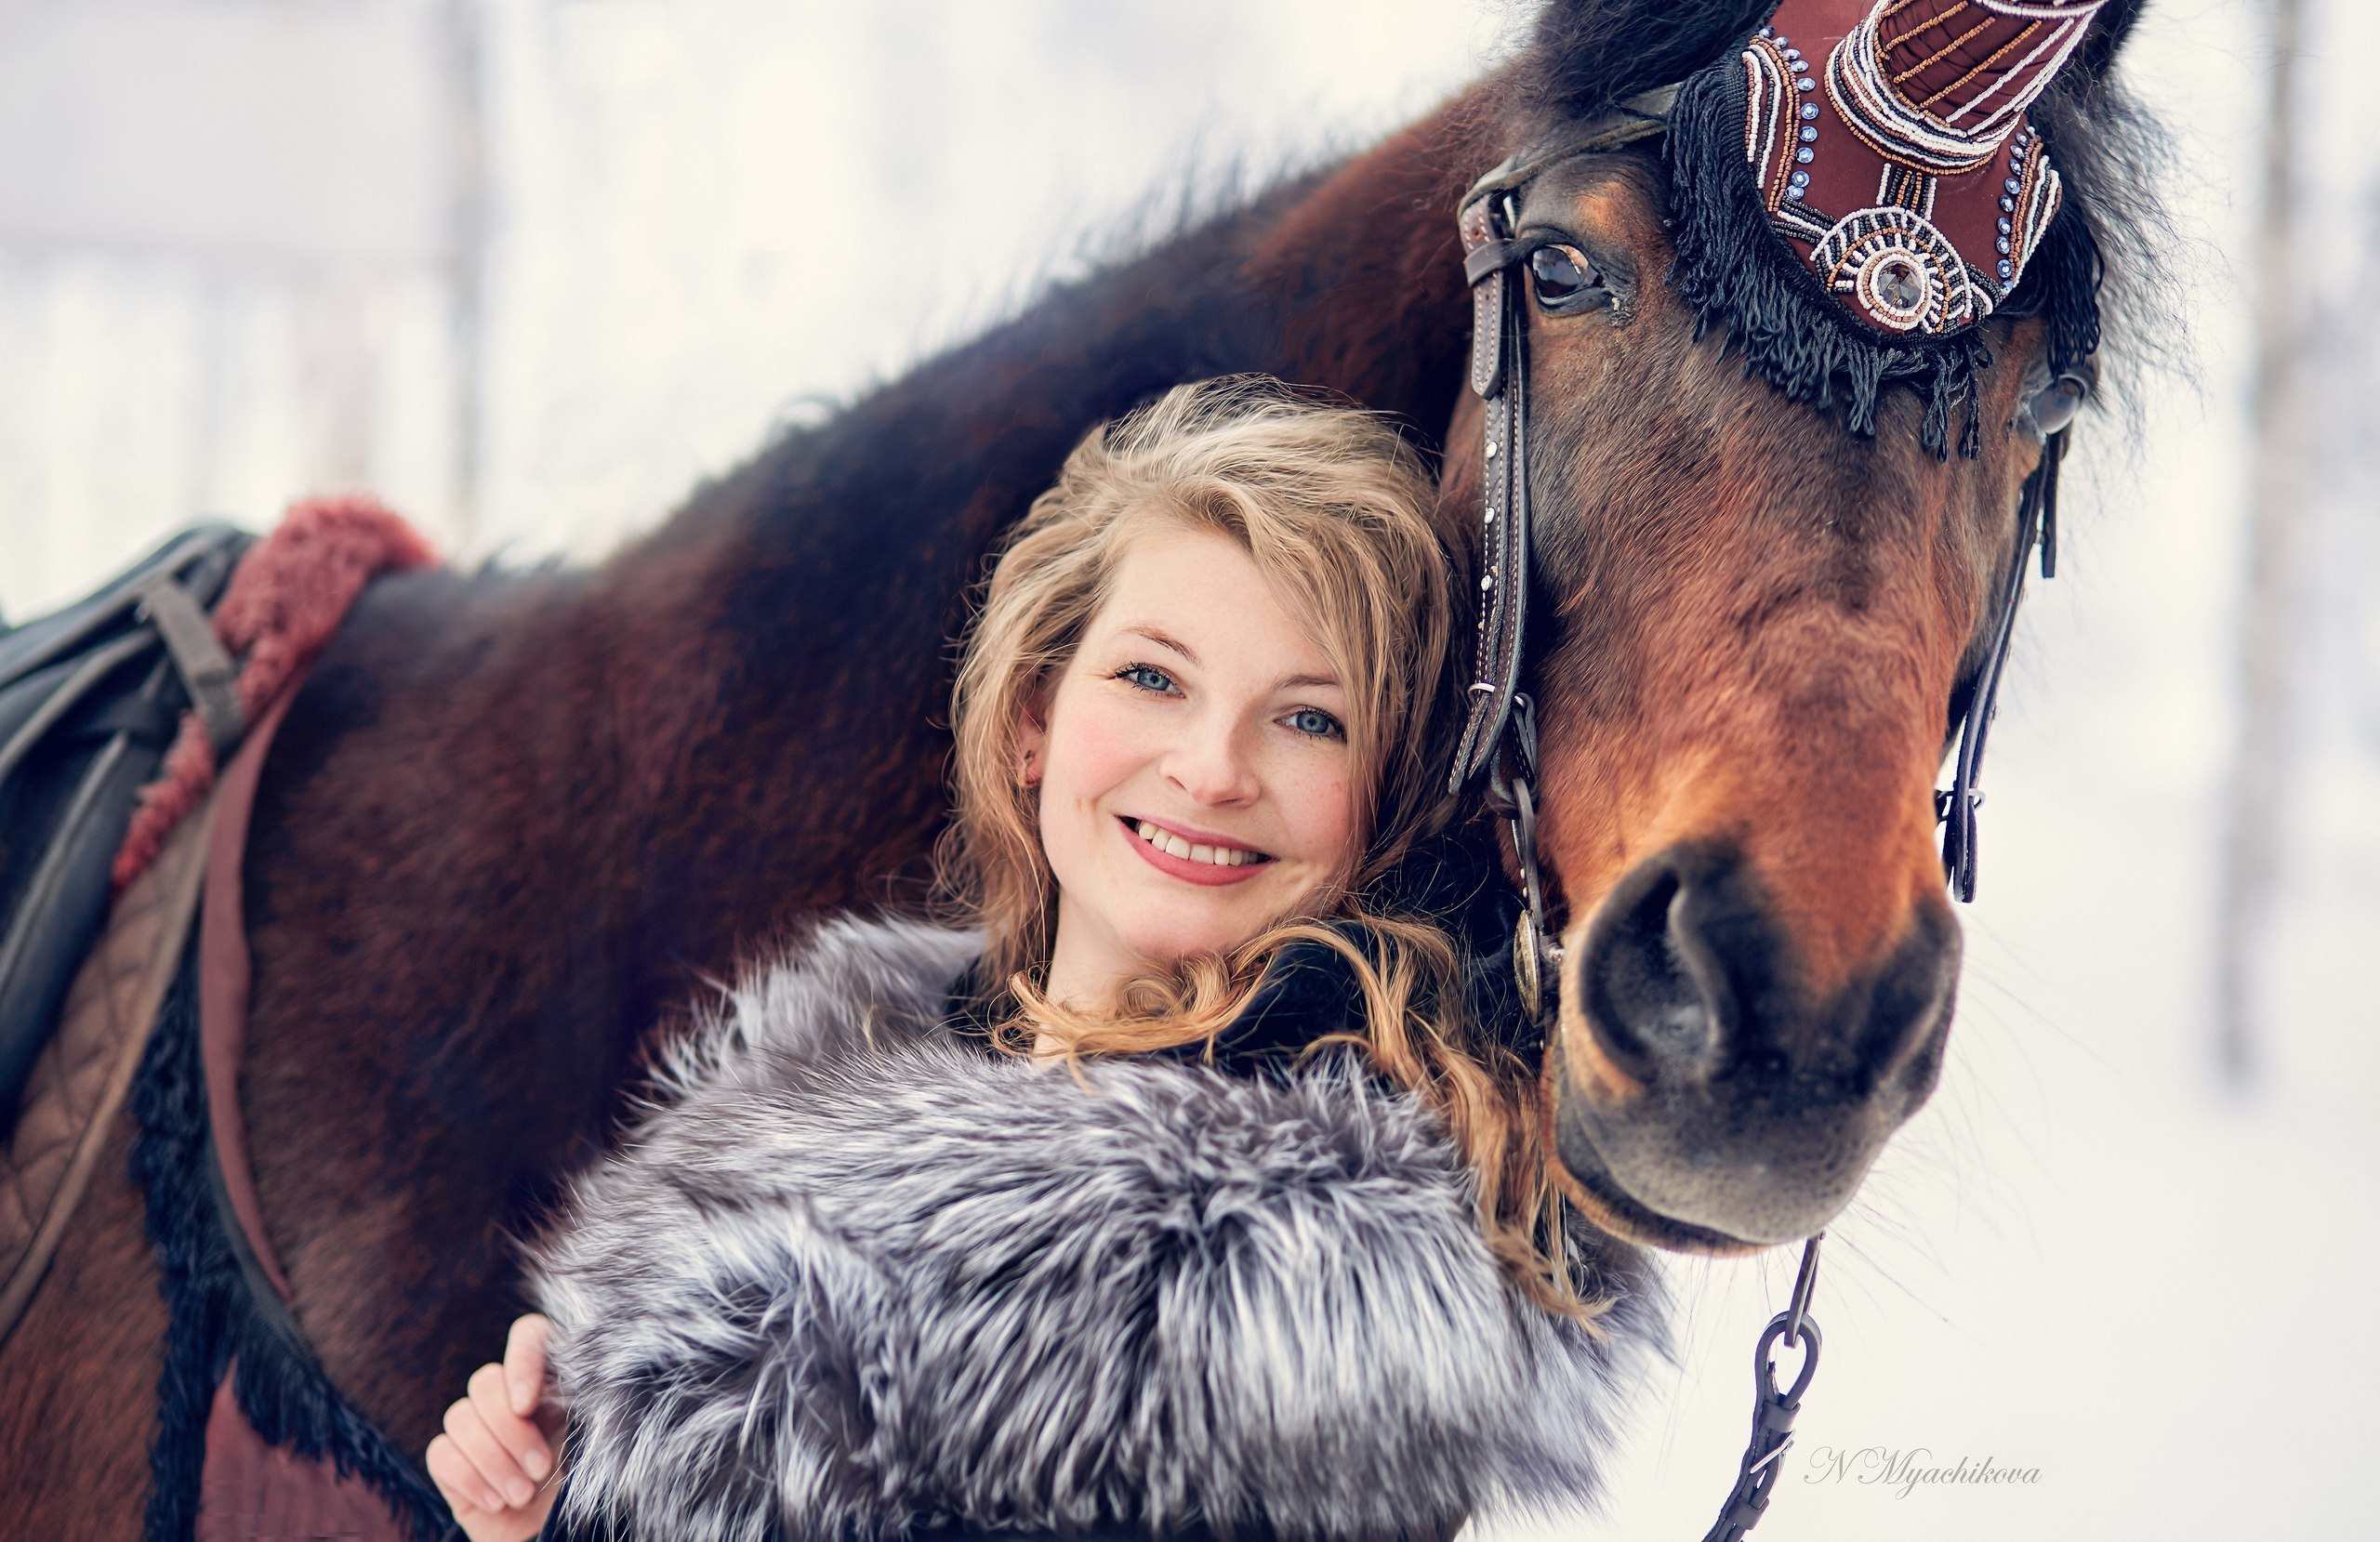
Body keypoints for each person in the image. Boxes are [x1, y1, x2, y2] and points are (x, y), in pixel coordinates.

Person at [424, 378, 1659, 1542]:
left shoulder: (1311, 1277)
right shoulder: (805, 1099)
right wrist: (552, 1513)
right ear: (1033, 722)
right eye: (1151, 678)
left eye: (1308, 718)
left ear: (1375, 802)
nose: (1213, 768)